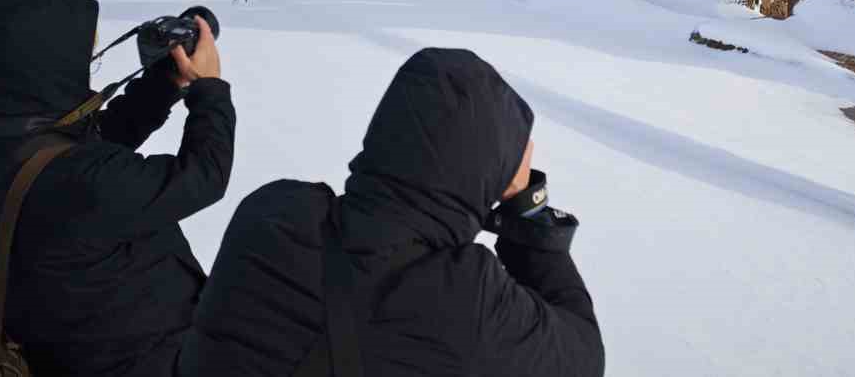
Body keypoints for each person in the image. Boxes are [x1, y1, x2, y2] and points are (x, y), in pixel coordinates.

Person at [179, 48, 604, 377]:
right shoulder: (464, 300)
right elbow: (583, 356)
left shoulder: (270, 213)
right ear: (487, 172)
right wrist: (526, 206)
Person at [0, 0, 236, 377]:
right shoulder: (86, 181)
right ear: (43, 69)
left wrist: (164, 84)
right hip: (153, 360)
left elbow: (74, 148)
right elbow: (203, 176)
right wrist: (209, 89)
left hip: (61, 355)